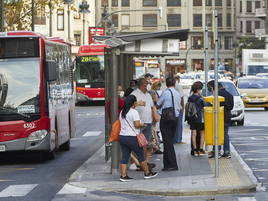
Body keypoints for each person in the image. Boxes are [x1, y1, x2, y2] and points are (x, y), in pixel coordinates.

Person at [119, 95, 158, 181]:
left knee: (125, 156)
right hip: (132, 138)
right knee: (141, 155)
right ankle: (147, 173)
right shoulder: (134, 112)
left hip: (122, 137)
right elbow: (136, 125)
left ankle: (123, 175)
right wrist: (142, 124)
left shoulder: (122, 112)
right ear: (133, 103)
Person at [156, 77, 181, 171]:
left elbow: (158, 103)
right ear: (174, 83)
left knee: (168, 142)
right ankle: (167, 164)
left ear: (166, 84)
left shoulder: (165, 93)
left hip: (166, 118)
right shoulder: (177, 93)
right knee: (169, 141)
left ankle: (172, 164)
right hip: (175, 118)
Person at [131, 78, 156, 168]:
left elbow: (152, 107)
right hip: (138, 123)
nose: (148, 85)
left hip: (148, 122)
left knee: (145, 144)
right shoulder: (134, 94)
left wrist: (154, 118)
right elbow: (129, 106)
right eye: (146, 83)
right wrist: (137, 104)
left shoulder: (148, 95)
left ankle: (144, 163)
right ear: (142, 85)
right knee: (137, 144)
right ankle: (137, 162)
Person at [207, 80, 234, 159]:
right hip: (227, 117)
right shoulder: (230, 95)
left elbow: (213, 106)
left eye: (210, 88)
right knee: (225, 134)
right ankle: (226, 152)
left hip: (218, 117)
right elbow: (231, 107)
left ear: (213, 87)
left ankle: (217, 152)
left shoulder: (217, 95)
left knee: (217, 134)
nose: (210, 90)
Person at [187, 82, 206, 156]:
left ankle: (194, 150)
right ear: (198, 90)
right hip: (199, 118)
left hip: (192, 118)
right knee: (202, 133)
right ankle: (200, 149)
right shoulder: (200, 99)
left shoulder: (190, 98)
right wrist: (202, 97)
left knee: (193, 133)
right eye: (200, 89)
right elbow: (204, 106)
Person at [174, 75, 186, 144]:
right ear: (178, 79)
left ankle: (175, 138)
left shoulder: (172, 86)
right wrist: (183, 107)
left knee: (175, 124)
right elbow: (182, 98)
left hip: (174, 108)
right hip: (179, 108)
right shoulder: (178, 86)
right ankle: (178, 139)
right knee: (179, 124)